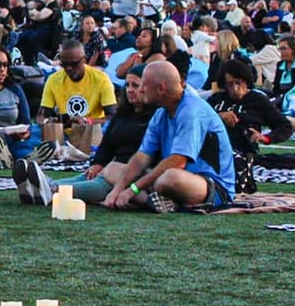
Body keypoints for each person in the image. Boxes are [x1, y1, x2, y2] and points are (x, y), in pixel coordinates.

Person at [97, 60, 237, 211]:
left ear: (161, 88)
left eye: (144, 85)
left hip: (209, 185)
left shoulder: (192, 111)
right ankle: (156, 203)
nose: (141, 90)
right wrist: (117, 190)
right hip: (170, 178)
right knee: (112, 169)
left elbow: (178, 161)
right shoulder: (161, 113)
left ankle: (150, 200)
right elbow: (142, 156)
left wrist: (133, 189)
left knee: (168, 178)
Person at [39, 40, 117, 129]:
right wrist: (48, 121)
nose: (69, 68)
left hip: (91, 133)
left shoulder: (101, 79)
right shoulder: (53, 79)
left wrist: (87, 121)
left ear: (84, 59)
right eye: (64, 64)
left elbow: (112, 117)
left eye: (74, 64)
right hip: (63, 133)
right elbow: (42, 115)